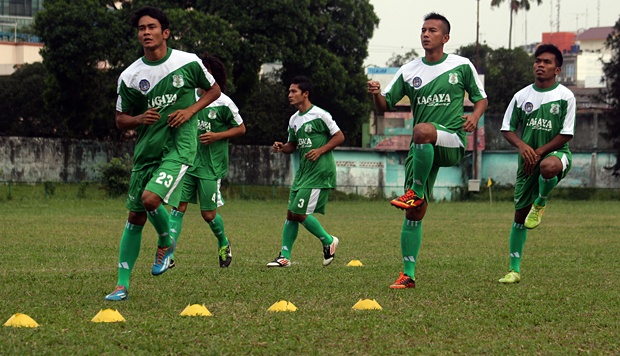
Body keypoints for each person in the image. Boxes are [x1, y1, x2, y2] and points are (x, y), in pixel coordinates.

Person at [105, 6, 221, 301]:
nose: (146, 32)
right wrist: (138, 119)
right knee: (134, 216)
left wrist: (190, 110)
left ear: (165, 33)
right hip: (147, 151)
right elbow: (121, 120)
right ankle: (122, 285)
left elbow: (214, 90)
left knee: (150, 199)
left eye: (152, 27)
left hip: (179, 147)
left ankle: (166, 242)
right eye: (141, 28)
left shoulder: (188, 62)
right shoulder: (131, 76)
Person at [367, 12, 488, 289]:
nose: (426, 34)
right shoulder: (409, 69)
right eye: (423, 29)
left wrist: (474, 117)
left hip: (452, 141)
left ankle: (415, 193)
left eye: (432, 30)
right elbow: (384, 106)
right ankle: (407, 275)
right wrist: (375, 92)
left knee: (421, 129)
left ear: (445, 38)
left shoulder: (461, 65)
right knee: (414, 213)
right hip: (422, 149)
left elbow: (482, 99)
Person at [498, 44, 575, 284]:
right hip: (527, 161)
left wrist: (540, 151)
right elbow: (507, 128)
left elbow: (567, 134)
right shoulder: (521, 96)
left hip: (557, 154)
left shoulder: (565, 96)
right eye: (538, 61)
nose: (540, 65)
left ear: (558, 69)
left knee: (548, 167)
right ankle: (513, 270)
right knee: (520, 215)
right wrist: (523, 146)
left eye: (547, 62)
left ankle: (541, 202)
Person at [168, 54, 246, 268]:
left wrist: (216, 136)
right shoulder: (188, 97)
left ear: (214, 76)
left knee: (208, 214)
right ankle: (168, 255)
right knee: (178, 207)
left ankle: (223, 243)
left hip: (211, 166)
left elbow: (241, 129)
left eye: (206, 71)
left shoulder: (224, 102)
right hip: (187, 161)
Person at [266, 76, 345, 268]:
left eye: (294, 91)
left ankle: (328, 241)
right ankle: (284, 256)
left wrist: (320, 150)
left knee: (299, 213)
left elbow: (340, 136)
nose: (289, 95)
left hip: (320, 171)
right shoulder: (294, 120)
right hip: (303, 172)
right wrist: (281, 147)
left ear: (305, 94)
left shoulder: (320, 115)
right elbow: (292, 146)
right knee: (291, 214)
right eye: (289, 91)